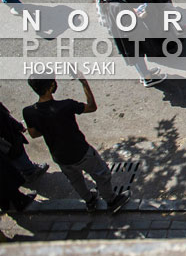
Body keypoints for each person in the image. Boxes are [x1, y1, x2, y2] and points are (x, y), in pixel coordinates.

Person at [23, 73, 131, 213]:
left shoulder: (28, 112)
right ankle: (111, 201)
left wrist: (49, 126)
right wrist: (84, 83)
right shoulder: (66, 105)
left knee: (76, 180)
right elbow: (92, 107)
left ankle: (89, 201)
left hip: (60, 156)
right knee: (101, 174)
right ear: (50, 87)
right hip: (81, 152)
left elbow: (34, 134)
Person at [1, 101, 48, 184]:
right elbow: (6, 120)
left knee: (8, 158)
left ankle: (18, 173)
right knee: (17, 154)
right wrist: (18, 126)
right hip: (8, 140)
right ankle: (30, 172)